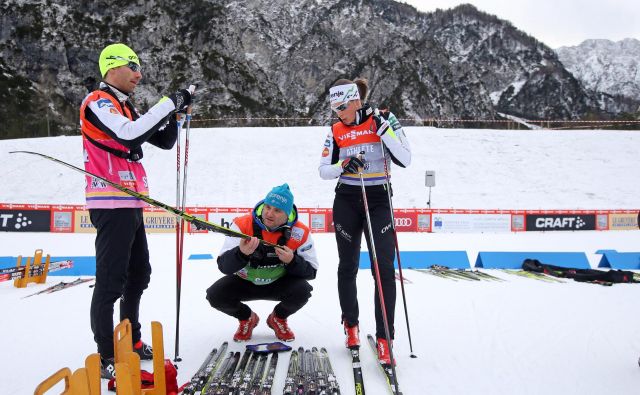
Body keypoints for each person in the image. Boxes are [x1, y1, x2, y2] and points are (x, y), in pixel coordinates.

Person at [81, 42, 193, 379]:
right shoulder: (98, 102)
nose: (138, 74)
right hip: (109, 202)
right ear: (112, 67)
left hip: (130, 202)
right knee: (111, 281)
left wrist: (175, 117)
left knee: (138, 275)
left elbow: (162, 141)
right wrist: (168, 103)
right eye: (133, 66)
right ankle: (105, 355)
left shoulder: (125, 106)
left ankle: (130, 340)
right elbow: (129, 138)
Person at [319, 78, 411, 364]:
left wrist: (385, 132)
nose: (339, 113)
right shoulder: (334, 130)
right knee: (347, 266)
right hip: (347, 198)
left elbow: (405, 159)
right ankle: (351, 325)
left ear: (356, 100)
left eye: (343, 106)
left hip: (379, 199)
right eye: (334, 108)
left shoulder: (385, 118)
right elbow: (323, 170)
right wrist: (343, 165)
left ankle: (385, 338)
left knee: (383, 268)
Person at [206, 184, 319, 342]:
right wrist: (241, 253)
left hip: (278, 283)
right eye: (267, 207)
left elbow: (311, 272)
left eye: (277, 210)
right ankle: (247, 318)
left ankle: (278, 319)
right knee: (215, 295)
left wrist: (292, 261)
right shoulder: (242, 225)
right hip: (245, 281)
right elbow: (224, 267)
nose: (269, 213)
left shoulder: (300, 232)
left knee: (303, 290)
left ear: (287, 214)